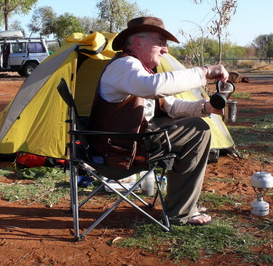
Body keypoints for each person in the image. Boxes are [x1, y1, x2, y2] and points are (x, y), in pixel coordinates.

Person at [89, 17, 229, 226]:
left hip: (130, 144)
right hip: (117, 153)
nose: (165, 50)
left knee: (193, 123)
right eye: (161, 43)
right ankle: (181, 211)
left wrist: (206, 107)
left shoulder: (141, 71)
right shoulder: (124, 65)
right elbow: (153, 87)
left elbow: (170, 106)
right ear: (138, 42)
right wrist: (205, 71)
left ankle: (182, 204)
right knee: (198, 129)